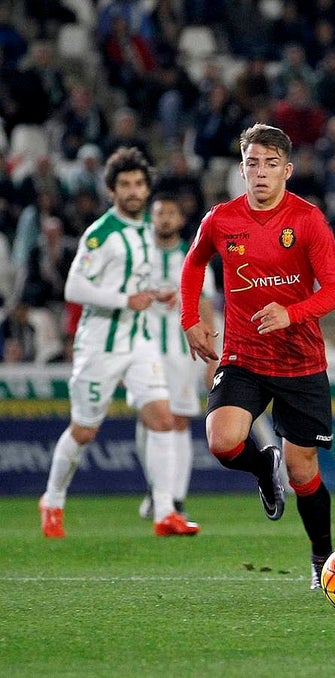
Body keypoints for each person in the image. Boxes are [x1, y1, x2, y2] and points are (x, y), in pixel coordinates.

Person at [180, 123, 335, 589]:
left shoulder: (308, 220)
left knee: (304, 470)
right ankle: (261, 467)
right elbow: (193, 264)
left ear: (286, 171)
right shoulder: (220, 220)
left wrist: (291, 313)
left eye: (270, 164)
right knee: (222, 441)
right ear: (241, 169)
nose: (260, 172)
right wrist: (190, 319)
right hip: (244, 356)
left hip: (300, 361)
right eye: (252, 163)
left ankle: (321, 558)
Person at [39, 146, 198, 538]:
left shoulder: (145, 231)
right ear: (112, 190)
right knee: (84, 431)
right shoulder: (101, 234)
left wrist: (155, 293)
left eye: (139, 184)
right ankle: (52, 500)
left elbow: (133, 282)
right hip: (101, 344)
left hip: (140, 340)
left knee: (162, 419)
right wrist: (124, 300)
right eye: (125, 184)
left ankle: (165, 511)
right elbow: (74, 288)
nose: (133, 191)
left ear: (147, 189)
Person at [136, 193, 218, 523]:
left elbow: (206, 307)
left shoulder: (194, 256)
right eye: (160, 213)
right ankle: (156, 489)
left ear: (181, 220)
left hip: (182, 352)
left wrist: (212, 358)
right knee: (149, 419)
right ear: (151, 218)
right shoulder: (138, 254)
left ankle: (176, 498)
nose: (166, 219)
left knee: (179, 421)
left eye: (172, 213)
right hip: (141, 351)